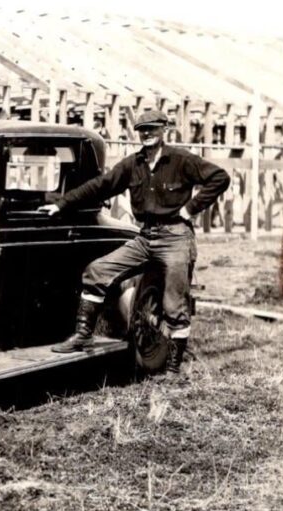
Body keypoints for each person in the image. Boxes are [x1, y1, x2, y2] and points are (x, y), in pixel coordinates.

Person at [39, 110, 231, 374]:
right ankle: (83, 334)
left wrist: (191, 208)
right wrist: (62, 204)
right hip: (144, 237)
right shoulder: (133, 164)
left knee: (174, 305)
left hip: (175, 237)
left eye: (152, 128)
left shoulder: (182, 160)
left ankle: (173, 369)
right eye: (142, 129)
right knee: (97, 271)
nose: (147, 133)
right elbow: (100, 185)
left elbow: (220, 177)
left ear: (165, 129)